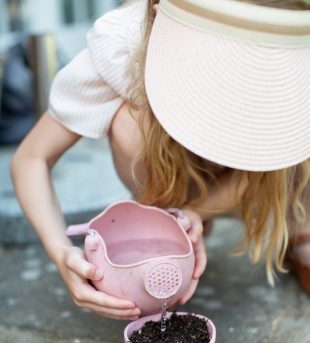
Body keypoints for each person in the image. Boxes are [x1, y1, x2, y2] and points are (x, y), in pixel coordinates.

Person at [11, 0, 310, 320]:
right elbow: (31, 159)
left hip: (259, 177)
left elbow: (273, 160)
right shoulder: (123, 44)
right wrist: (60, 252)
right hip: (177, 170)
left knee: (297, 147)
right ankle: (169, 215)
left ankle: (297, 223)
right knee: (130, 125)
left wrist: (200, 209)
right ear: (158, 10)